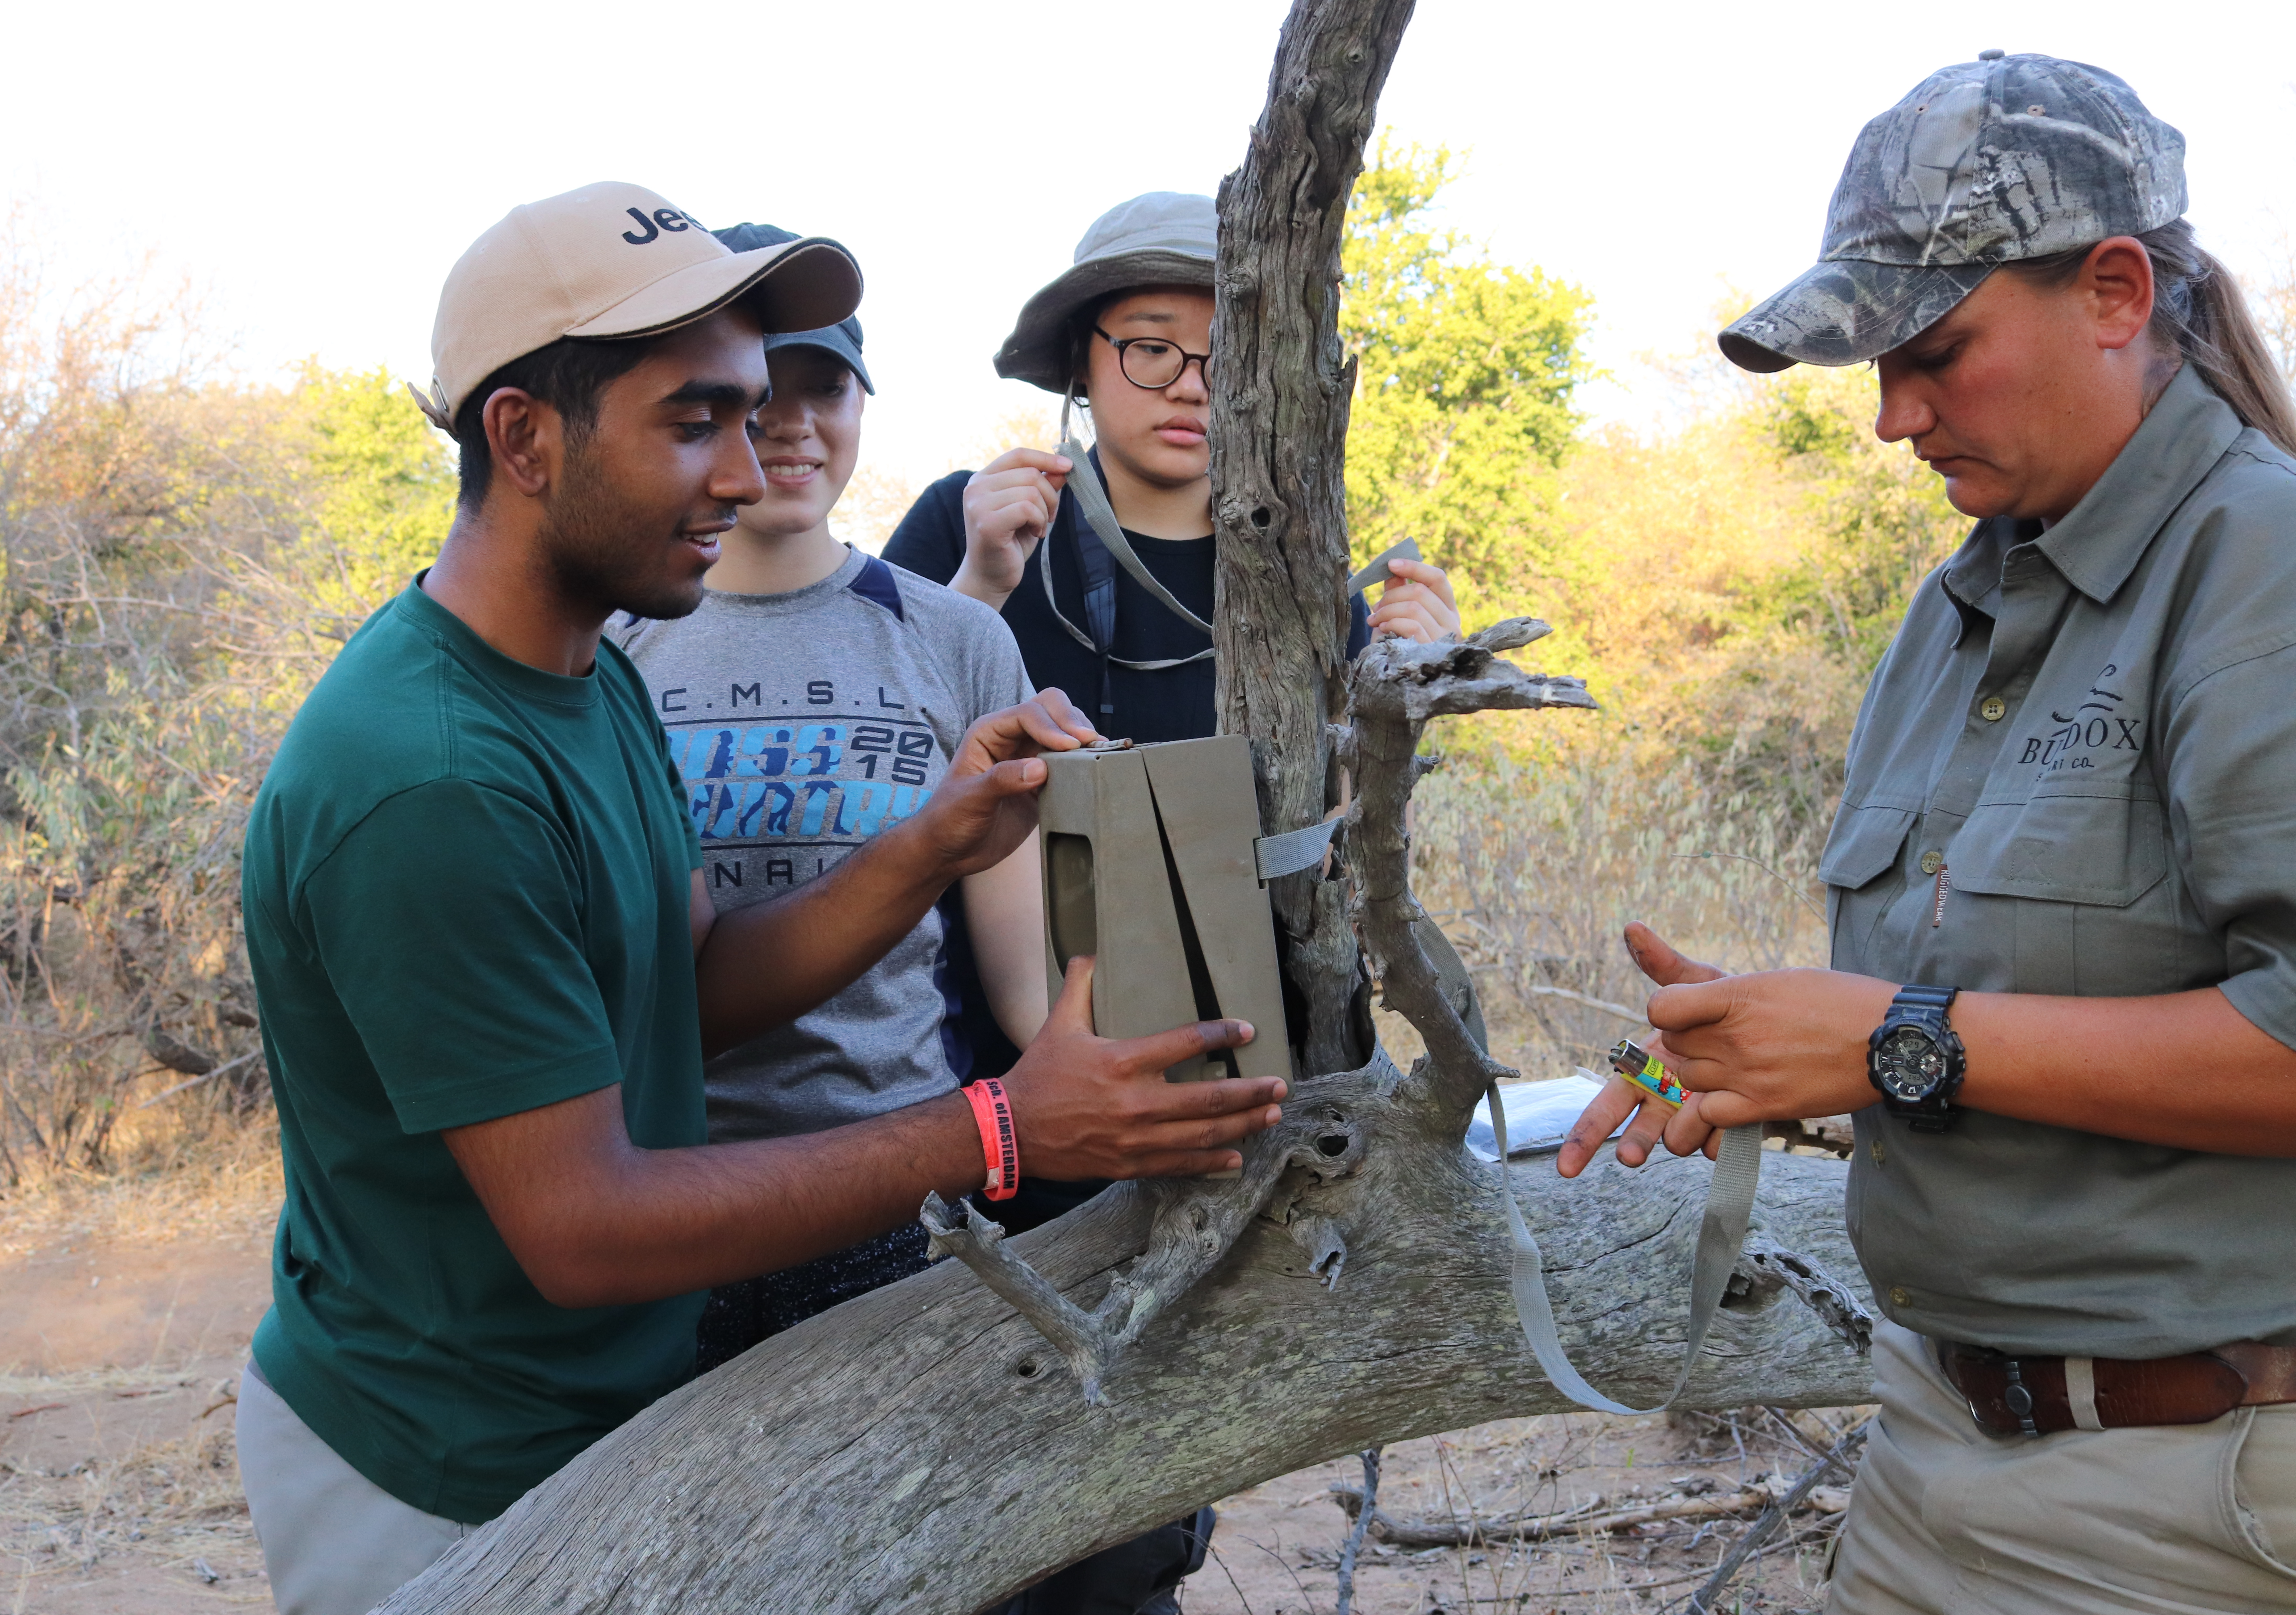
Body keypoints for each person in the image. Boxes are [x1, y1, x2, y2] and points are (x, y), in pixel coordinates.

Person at [232, 182, 1287, 1615]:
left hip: (612, 1406)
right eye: (692, 423)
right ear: (523, 437)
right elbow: (587, 1227)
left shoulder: (584, 675)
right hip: (441, 1459)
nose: (744, 471)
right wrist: (1001, 1127)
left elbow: (695, 993)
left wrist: (931, 843)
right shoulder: (432, 780)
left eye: (752, 416)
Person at [1558, 53, 2296, 1614]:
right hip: (1933, 1446)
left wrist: (1897, 1042)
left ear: (2113, 292)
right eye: (1877, 367)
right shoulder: (1959, 604)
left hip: (2193, 1497)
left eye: (1939, 351)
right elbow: (1998, 986)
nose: (1895, 419)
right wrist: (1772, 1040)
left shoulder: (2263, 576)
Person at [885, 190, 1466, 1615]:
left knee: (1130, 1503)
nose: (1189, 387)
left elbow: (1338, 865)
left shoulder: (1304, 575)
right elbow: (884, 800)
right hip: (988, 1092)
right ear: (1082, 365)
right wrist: (974, 579)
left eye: (1228, 357)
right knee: (958, 1471)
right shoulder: (974, 526)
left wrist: (1414, 694)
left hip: (1215, 1095)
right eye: (1151, 348)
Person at [610, 221, 1047, 1372]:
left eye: (827, 388)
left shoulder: (958, 640)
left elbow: (1023, 979)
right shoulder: (606, 643)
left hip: (892, 1189)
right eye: (759, 395)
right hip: (666, 1195)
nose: (793, 426)